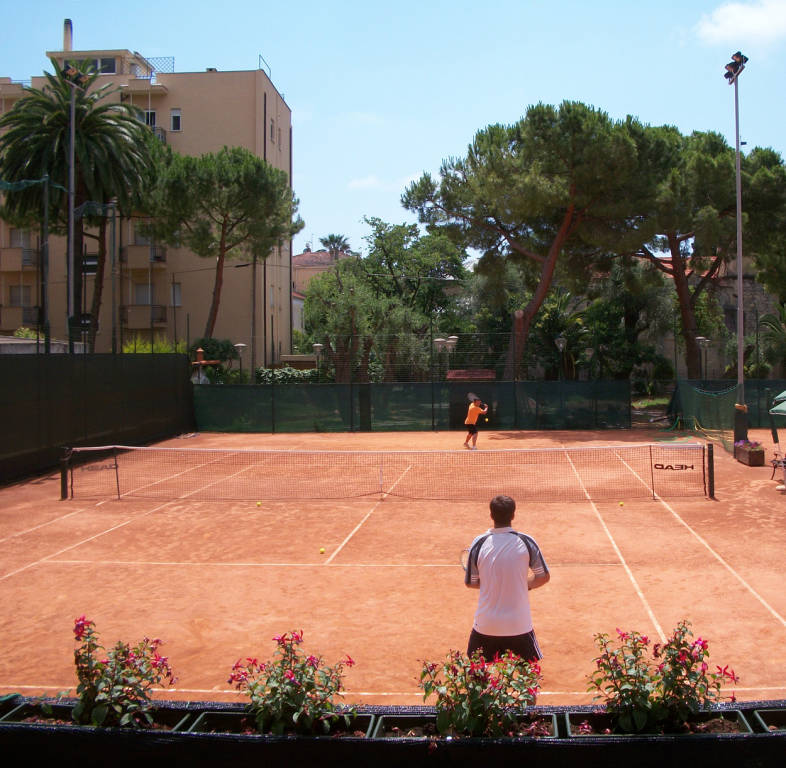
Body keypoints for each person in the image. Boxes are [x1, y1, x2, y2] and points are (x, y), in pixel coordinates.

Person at [464, 494, 550, 661]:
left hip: (486, 625)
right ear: (513, 515)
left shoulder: (479, 543)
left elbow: (471, 583)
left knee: (477, 678)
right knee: (528, 680)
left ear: (491, 515)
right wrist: (523, 585)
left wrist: (491, 583)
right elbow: (543, 577)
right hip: (519, 625)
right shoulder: (526, 542)